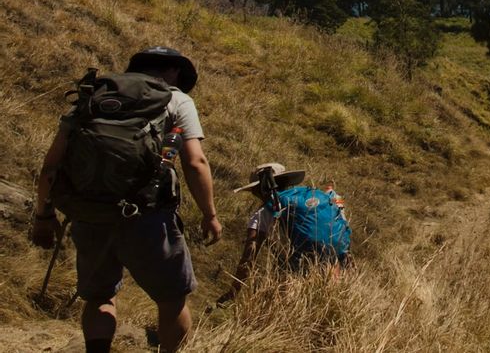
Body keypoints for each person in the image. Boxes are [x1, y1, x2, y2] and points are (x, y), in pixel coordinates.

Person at [30, 46, 222, 353]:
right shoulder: (176, 98)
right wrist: (209, 214)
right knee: (171, 301)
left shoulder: (94, 97)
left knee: (100, 297)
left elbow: (50, 166)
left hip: (89, 212)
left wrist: (43, 215)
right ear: (173, 71)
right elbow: (196, 162)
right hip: (148, 215)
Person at [221, 163, 351, 302]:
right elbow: (340, 214)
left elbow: (249, 257)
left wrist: (233, 292)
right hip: (333, 262)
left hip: (295, 274)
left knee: (285, 302)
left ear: (260, 190)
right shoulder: (315, 195)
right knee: (328, 301)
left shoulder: (265, 211)